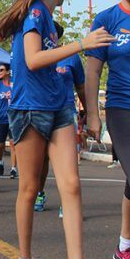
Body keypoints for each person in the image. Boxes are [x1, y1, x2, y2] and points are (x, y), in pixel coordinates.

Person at [0, 0, 113, 259]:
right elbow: (32, 60)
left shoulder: (46, 18)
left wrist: (90, 114)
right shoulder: (34, 13)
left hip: (59, 110)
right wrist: (81, 43)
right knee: (30, 188)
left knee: (72, 186)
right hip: (30, 109)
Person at [85, 0, 130, 259]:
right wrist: (93, 114)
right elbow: (93, 70)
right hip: (124, 110)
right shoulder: (107, 19)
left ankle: (124, 246)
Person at [34, 22, 87, 214]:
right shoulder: (34, 56)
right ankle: (39, 193)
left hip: (66, 112)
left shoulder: (70, 57)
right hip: (39, 111)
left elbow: (81, 86)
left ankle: (68, 202)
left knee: (67, 161)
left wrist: (88, 112)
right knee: (41, 161)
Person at [0, 63, 17, 179]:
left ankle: (13, 168)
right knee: (0, 144)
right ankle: (0, 160)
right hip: (0, 118)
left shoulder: (14, 85)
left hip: (13, 119)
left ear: (8, 72)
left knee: (13, 144)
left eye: (2, 70)